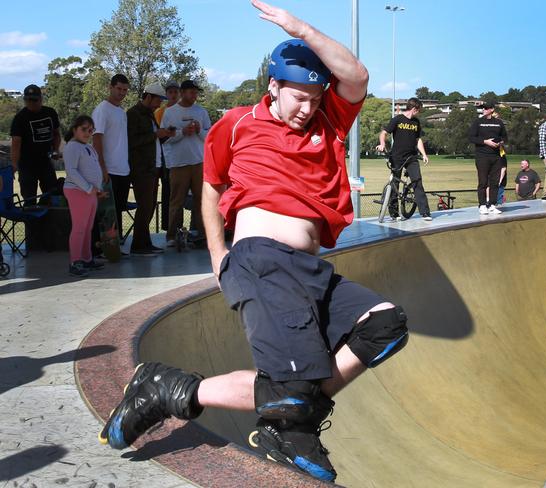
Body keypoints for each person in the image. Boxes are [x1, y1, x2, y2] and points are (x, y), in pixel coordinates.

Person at [99, 1, 408, 483]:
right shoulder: (238, 123)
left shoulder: (331, 121)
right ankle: (276, 413)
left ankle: (191, 394)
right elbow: (212, 186)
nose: (307, 108)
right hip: (261, 259)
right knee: (290, 387)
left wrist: (302, 30)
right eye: (297, 97)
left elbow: (358, 75)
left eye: (315, 97)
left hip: (310, 270)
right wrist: (218, 255)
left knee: (385, 325)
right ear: (273, 86)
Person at [127, 82, 175, 256]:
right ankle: (138, 245)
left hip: (153, 166)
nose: (160, 103)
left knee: (150, 205)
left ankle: (144, 242)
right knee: (145, 205)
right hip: (141, 167)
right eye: (158, 99)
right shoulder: (133, 114)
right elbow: (132, 141)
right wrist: (156, 134)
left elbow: (152, 139)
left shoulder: (149, 114)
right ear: (148, 97)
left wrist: (164, 135)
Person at [161, 79, 211, 246]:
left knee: (201, 200)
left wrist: (198, 131)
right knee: (176, 200)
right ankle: (172, 236)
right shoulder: (170, 112)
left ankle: (199, 233)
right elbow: (165, 138)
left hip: (198, 162)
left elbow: (210, 137)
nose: (194, 95)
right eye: (191, 92)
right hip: (178, 163)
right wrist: (182, 132)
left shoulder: (201, 111)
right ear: (182, 93)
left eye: (196, 92)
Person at [62, 115, 106, 277]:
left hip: (89, 192)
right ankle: (75, 261)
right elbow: (72, 171)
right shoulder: (72, 147)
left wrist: (97, 189)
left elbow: (93, 168)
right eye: (84, 129)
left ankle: (87, 258)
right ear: (74, 129)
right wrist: (88, 188)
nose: (88, 133)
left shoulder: (87, 147)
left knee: (88, 228)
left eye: (90, 130)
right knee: (80, 228)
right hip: (77, 191)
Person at [376, 97, 432, 221]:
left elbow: (418, 140)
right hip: (397, 156)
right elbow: (384, 133)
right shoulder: (397, 119)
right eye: (419, 110)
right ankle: (394, 213)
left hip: (411, 157)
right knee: (394, 183)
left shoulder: (416, 122)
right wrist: (382, 144)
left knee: (417, 182)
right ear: (414, 109)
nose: (419, 113)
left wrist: (424, 154)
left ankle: (425, 212)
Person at [91, 74, 131, 242]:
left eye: (125, 90)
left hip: (123, 169)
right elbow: (97, 138)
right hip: (109, 170)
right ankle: (101, 247)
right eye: (119, 89)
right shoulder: (102, 109)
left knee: (118, 210)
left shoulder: (121, 112)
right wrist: (102, 167)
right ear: (110, 87)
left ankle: (115, 245)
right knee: (106, 213)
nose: (122, 93)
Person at [10, 84, 61, 203]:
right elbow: (16, 143)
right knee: (29, 199)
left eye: (34, 100)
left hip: (45, 162)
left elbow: (57, 134)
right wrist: (14, 164)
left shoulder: (50, 112)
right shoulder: (20, 118)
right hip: (26, 165)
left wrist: (55, 149)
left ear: (41, 99)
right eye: (28, 100)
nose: (31, 103)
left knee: (52, 195)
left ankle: (49, 220)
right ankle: (31, 221)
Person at [468, 101, 508, 215]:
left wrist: (500, 142)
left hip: (496, 156)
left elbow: (505, 137)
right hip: (482, 156)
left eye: (485, 108)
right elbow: (471, 138)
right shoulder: (478, 122)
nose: (483, 110)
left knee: (495, 182)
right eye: (482, 108)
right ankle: (482, 205)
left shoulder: (499, 123)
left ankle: (492, 205)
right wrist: (485, 142)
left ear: (492, 109)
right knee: (483, 181)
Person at [154, 81, 181, 231]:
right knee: (167, 191)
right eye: (170, 92)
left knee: (179, 192)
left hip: (181, 156)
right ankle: (167, 227)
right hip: (165, 155)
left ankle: (178, 227)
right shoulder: (159, 112)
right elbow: (159, 134)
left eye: (175, 92)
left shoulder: (183, 110)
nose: (173, 95)